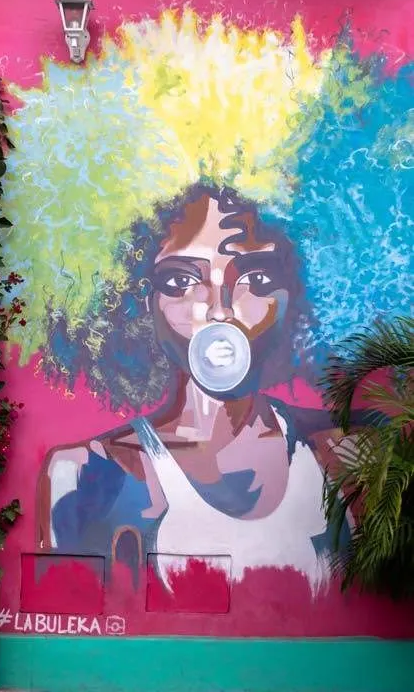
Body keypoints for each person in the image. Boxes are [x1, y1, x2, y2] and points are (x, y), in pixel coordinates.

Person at [37, 183, 351, 592]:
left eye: (255, 277)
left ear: (292, 294)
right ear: (136, 300)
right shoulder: (84, 474)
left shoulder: (340, 453)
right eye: (180, 281)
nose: (220, 309)